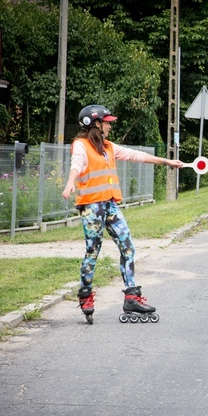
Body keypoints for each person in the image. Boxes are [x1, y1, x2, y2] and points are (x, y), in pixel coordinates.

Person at [62, 105, 184, 323]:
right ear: (95, 124)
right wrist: (70, 182)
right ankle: (86, 295)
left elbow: (135, 155)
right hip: (91, 207)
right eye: (106, 122)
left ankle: (131, 296)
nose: (110, 125)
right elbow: (76, 165)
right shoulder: (81, 145)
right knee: (93, 250)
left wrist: (166, 162)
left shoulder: (107, 146)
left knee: (128, 247)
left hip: (110, 205)